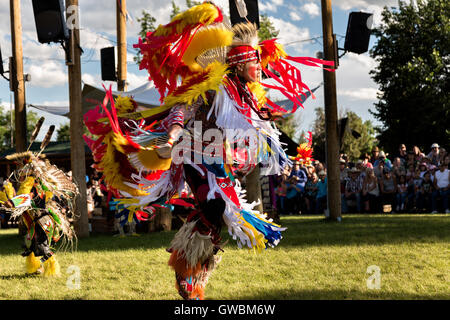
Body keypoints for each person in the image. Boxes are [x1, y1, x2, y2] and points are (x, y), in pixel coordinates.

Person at [84, 3, 332, 300]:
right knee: (214, 209)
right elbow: (182, 109)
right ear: (240, 65)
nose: (259, 70)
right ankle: (186, 269)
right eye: (254, 64)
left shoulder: (245, 94)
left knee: (220, 215)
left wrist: (292, 151)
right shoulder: (213, 87)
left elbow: (262, 125)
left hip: (218, 159)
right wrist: (173, 136)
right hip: (194, 155)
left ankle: (194, 270)